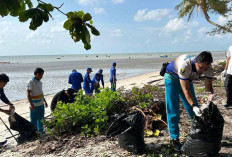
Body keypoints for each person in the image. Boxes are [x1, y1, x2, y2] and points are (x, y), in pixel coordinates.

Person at [164, 51, 214, 151]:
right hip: (172, 78)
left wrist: (207, 101)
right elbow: (185, 91)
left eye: (206, 68)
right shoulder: (185, 65)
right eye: (201, 68)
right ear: (196, 62)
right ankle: (175, 139)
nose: (203, 71)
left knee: (193, 111)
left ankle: (198, 133)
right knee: (173, 110)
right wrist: (194, 106)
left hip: (187, 79)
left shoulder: (208, 68)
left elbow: (208, 87)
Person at [27, 67, 48, 134]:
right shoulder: (31, 82)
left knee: (41, 118)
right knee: (33, 119)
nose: (42, 76)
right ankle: (34, 132)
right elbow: (28, 94)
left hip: (41, 103)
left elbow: (41, 92)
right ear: (37, 74)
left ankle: (40, 130)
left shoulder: (40, 82)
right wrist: (31, 104)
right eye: (41, 75)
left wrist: (45, 101)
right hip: (34, 104)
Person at [0, 73, 15, 146]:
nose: (5, 85)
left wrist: (10, 104)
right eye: (4, 83)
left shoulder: (0, 88)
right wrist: (3, 111)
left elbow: (3, 97)